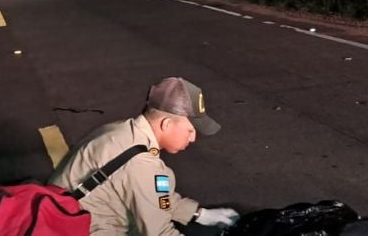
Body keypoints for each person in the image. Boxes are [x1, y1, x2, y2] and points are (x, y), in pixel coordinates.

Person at [49, 77, 239, 235]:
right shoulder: (142, 163)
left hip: (66, 217)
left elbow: (153, 196)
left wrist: (199, 214)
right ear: (166, 124)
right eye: (190, 130)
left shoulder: (121, 130)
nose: (193, 138)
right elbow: (160, 233)